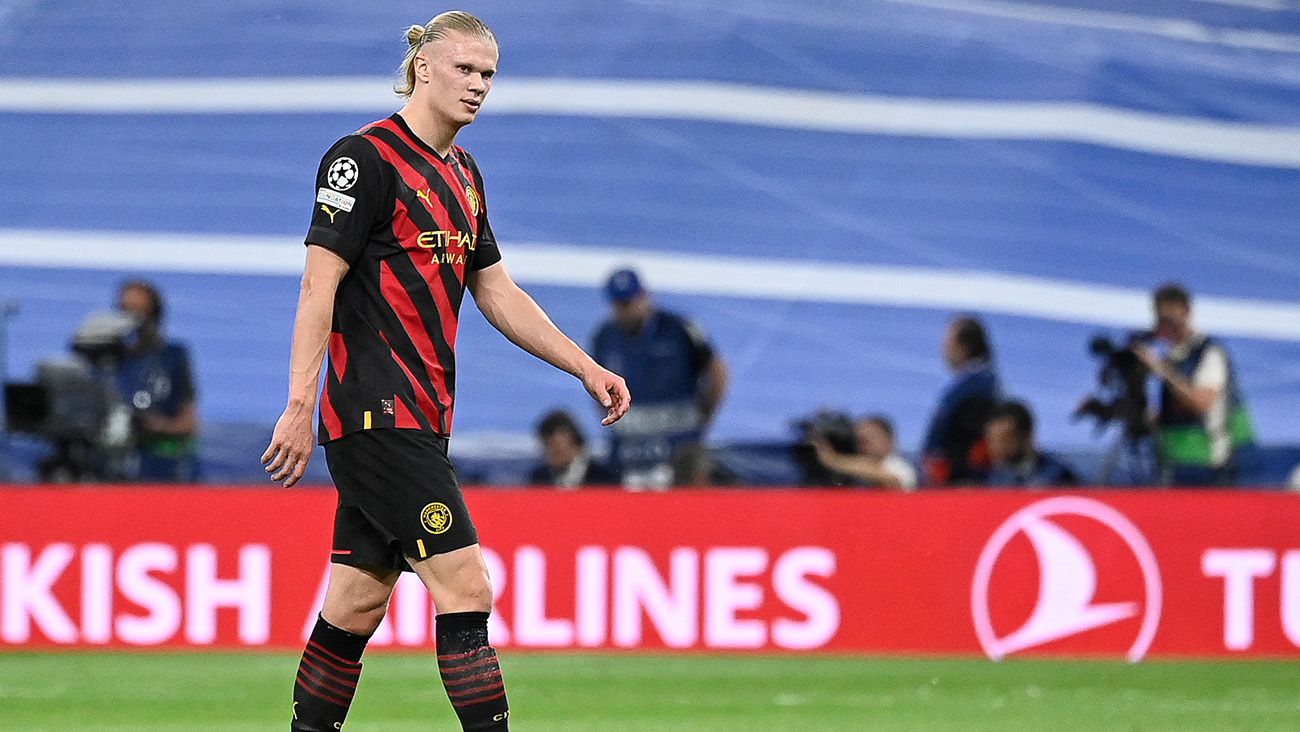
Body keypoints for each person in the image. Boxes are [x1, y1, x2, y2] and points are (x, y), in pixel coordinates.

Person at [259, 13, 630, 732]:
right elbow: (317, 288)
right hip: (376, 413)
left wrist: (585, 366)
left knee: (357, 601)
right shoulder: (361, 160)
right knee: (466, 584)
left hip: (423, 419)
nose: (479, 86)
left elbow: (495, 290)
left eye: (488, 74)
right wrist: (299, 404)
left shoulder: (463, 173)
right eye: (465, 69)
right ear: (423, 67)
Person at [591, 268, 728, 489]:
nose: (626, 310)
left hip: (681, 443)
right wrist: (613, 421)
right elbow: (595, 384)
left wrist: (705, 417)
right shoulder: (604, 339)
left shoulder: (680, 330)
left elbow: (717, 371)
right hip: (630, 446)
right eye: (619, 304)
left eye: (630, 301)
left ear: (644, 295)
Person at [1132, 283, 1254, 486]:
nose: (1166, 325)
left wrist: (1163, 372)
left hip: (1211, 464)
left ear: (1187, 312)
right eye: (1161, 319)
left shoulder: (1209, 353)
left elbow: (1201, 403)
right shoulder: (1171, 356)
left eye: (1171, 318)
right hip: (1175, 462)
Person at [115, 280, 200, 481]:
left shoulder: (173, 357)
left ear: (155, 314)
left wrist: (157, 426)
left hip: (162, 460)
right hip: (116, 461)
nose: (133, 319)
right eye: (125, 310)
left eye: (139, 311)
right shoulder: (110, 359)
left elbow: (188, 422)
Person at [920, 315, 1001, 486]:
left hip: (962, 483)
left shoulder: (979, 385)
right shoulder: (970, 384)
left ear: (965, 346)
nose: (943, 351)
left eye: (947, 344)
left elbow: (978, 441)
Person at [984, 400, 1079, 487]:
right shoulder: (991, 481)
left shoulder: (1057, 476)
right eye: (992, 441)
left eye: (1004, 440)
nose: (996, 447)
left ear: (1026, 435)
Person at [809, 415, 918, 490]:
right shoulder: (853, 474)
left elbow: (891, 481)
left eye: (868, 439)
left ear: (890, 440)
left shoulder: (900, 467)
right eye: (859, 440)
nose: (863, 445)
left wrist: (833, 460)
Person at [527, 409, 619, 487]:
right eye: (547, 446)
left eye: (557, 447)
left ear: (575, 443)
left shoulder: (602, 477)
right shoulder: (539, 479)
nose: (552, 451)